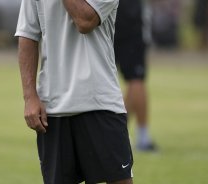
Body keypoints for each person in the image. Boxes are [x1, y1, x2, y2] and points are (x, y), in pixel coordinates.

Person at [15, 0, 133, 183]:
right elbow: (27, 35)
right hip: (53, 109)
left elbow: (84, 20)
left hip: (100, 103)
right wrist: (29, 96)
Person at [114, 0, 157, 151]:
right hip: (129, 17)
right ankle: (142, 137)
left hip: (102, 14)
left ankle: (116, 132)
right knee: (136, 79)